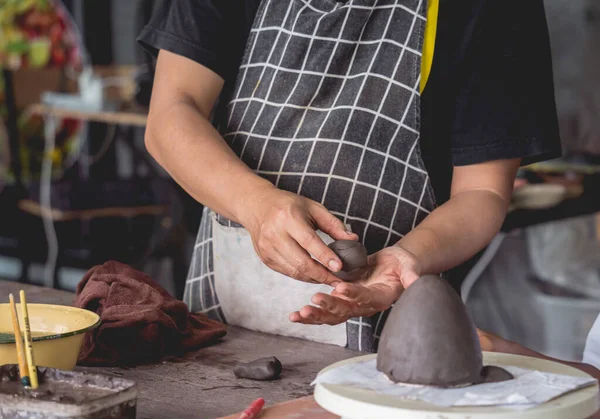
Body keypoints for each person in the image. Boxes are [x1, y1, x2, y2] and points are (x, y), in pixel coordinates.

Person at [138, 0, 561, 353]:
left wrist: (406, 259)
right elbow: (171, 115)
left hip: (392, 324)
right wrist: (255, 205)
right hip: (221, 328)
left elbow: (482, 191)